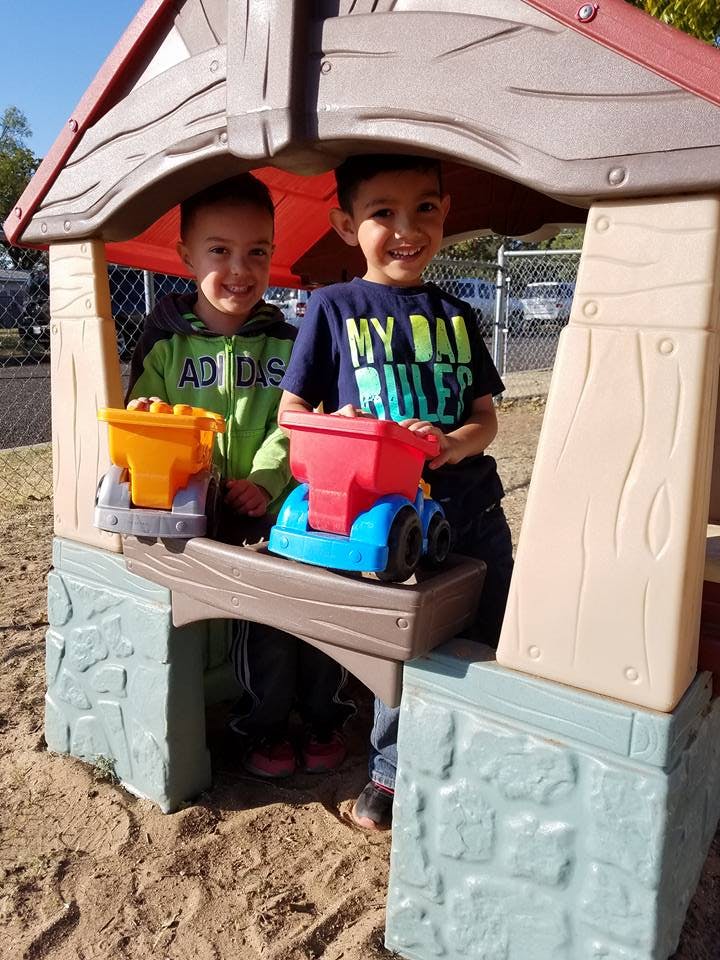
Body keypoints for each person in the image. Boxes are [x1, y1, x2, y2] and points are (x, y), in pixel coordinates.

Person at [279, 154, 513, 828]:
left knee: (487, 629)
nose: (406, 228)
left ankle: (473, 757)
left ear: (445, 215)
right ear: (345, 225)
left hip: (474, 507)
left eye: (424, 209)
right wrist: (342, 424)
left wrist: (452, 443)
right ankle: (390, 772)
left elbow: (485, 416)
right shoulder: (333, 306)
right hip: (389, 515)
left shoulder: (458, 313)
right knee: (403, 644)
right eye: (383, 212)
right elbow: (292, 414)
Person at [127, 173, 353, 779]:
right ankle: (258, 721)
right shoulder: (165, 343)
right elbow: (143, 417)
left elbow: (297, 421)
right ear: (187, 256)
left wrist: (265, 477)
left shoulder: (288, 341)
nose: (240, 268)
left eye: (257, 251)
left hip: (273, 509)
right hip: (191, 512)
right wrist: (147, 415)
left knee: (300, 606)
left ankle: (317, 715)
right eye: (219, 251)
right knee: (235, 622)